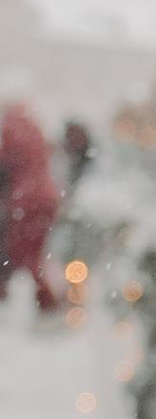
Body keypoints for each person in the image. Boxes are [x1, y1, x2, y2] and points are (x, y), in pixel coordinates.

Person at [0, 92, 63, 311]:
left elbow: (5, 161)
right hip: (46, 196)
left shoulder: (10, 127)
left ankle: (49, 303)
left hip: (26, 200)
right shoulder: (34, 126)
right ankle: (48, 300)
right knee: (34, 254)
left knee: (22, 254)